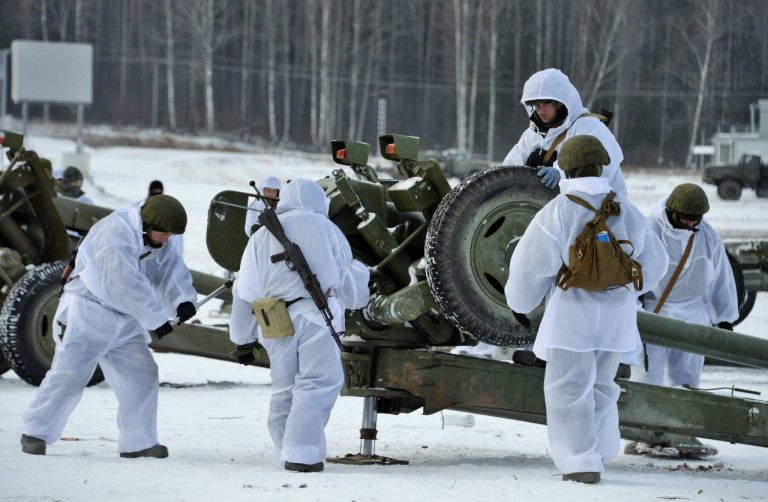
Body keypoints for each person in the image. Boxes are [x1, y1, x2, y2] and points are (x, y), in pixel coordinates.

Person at [504, 135, 668, 484]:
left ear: (566, 167)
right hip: (616, 316)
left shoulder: (560, 210)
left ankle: (581, 460)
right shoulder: (625, 207)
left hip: (572, 314)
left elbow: (528, 268)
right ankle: (602, 449)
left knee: (567, 387)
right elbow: (656, 264)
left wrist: (519, 303)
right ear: (601, 165)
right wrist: (628, 290)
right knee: (602, 383)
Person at [19, 195, 197, 458]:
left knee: (141, 375)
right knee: (70, 374)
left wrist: (183, 299)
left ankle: (138, 443)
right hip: (89, 311)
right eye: (164, 233)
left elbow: (171, 270)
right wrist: (156, 319)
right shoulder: (115, 231)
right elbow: (121, 282)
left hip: (125, 319)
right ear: (147, 225)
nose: (167, 239)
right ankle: (35, 432)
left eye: (171, 234)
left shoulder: (159, 239)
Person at [231, 178, 369, 472]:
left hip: (275, 320)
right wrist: (363, 284)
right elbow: (345, 279)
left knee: (284, 387)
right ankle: (302, 452)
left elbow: (245, 290)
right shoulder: (326, 228)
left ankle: (283, 451)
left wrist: (242, 338)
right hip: (318, 317)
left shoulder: (259, 235)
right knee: (318, 383)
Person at [626, 183, 738, 458]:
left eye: (695, 219)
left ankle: (685, 432)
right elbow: (633, 269)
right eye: (686, 218)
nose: (690, 223)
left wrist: (724, 317)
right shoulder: (650, 230)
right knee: (647, 378)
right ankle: (645, 433)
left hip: (693, 312)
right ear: (673, 211)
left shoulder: (708, 237)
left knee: (687, 378)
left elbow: (721, 278)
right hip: (656, 311)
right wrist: (634, 300)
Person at [502, 68, 627, 198]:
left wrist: (560, 173)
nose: (540, 110)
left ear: (559, 103)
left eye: (545, 104)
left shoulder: (589, 127)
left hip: (602, 209)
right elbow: (512, 165)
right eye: (537, 105)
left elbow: (602, 166)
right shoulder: (533, 134)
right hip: (555, 208)